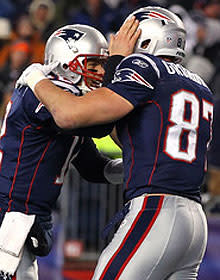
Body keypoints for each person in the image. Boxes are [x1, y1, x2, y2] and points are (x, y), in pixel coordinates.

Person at [17, 6, 214, 280]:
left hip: (156, 210)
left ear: (145, 41)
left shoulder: (145, 65)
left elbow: (71, 115)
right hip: (195, 223)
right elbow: (132, 133)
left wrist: (35, 77)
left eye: (127, 36)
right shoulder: (199, 85)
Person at [0, 21, 139, 280]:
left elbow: (92, 166)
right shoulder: (40, 93)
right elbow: (100, 125)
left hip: (25, 217)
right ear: (66, 63)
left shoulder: (67, 108)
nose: (100, 71)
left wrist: (135, 165)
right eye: (94, 64)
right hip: (9, 218)